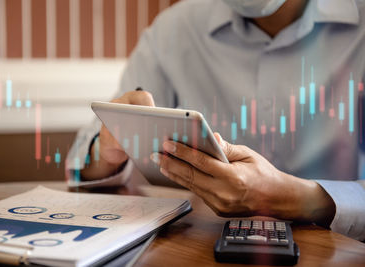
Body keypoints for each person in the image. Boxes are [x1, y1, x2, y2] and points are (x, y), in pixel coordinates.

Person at [67, 0, 365, 241]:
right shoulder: (175, 28)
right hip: (196, 246)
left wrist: (298, 198)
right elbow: (85, 158)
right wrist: (106, 152)